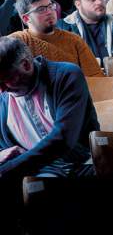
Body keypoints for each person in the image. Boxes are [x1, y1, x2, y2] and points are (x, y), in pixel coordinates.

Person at [0, 37, 99, 180]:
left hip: (76, 165)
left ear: (26, 65)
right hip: (29, 168)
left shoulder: (66, 75)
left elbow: (63, 141)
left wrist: (8, 169)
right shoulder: (5, 95)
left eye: (5, 80)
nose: (1, 90)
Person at [11, 0, 104, 78]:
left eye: (51, 6)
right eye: (41, 9)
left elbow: (95, 77)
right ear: (26, 18)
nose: (49, 12)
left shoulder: (74, 40)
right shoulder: (17, 41)